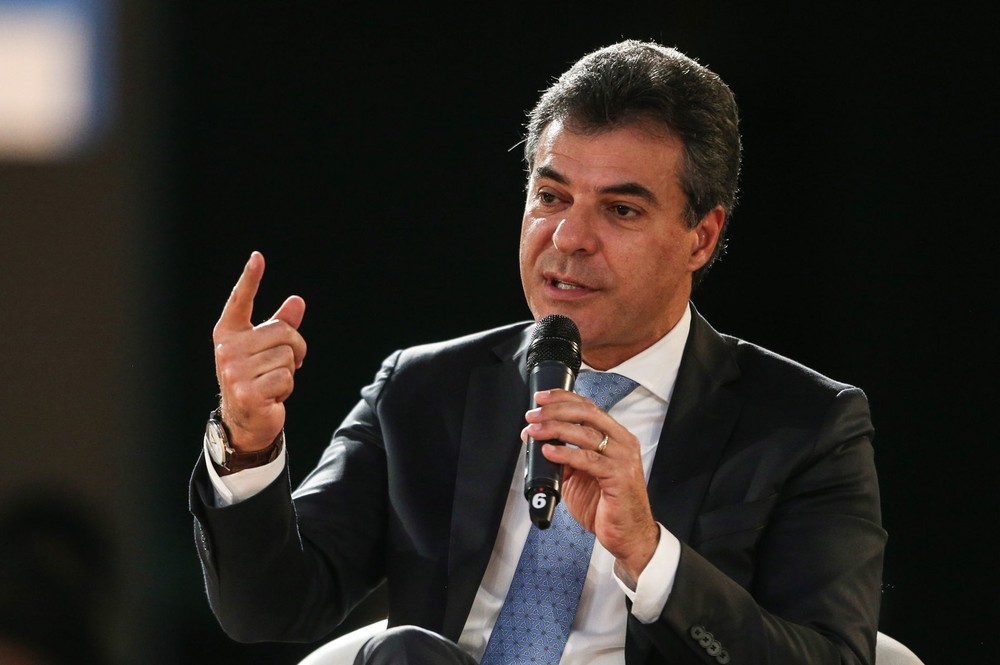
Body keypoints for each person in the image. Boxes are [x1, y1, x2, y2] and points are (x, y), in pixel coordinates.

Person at [190, 40, 885, 664]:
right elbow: (269, 610)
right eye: (551, 196)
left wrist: (648, 552)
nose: (569, 238)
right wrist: (247, 443)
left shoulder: (805, 425)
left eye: (620, 210)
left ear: (700, 238)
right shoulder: (425, 389)